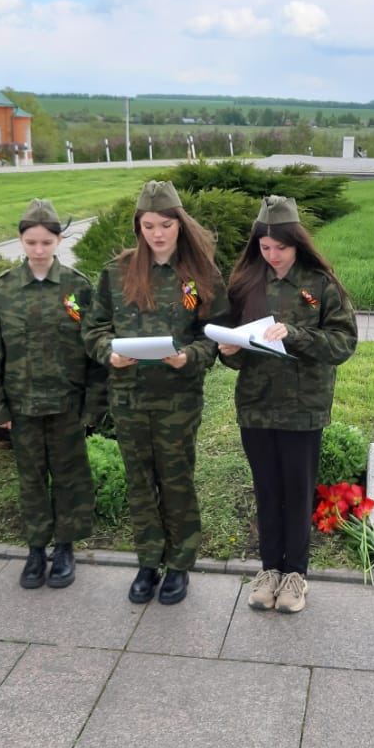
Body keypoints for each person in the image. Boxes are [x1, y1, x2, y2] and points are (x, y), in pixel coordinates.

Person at [82, 180, 229, 605]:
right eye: (149, 225)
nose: (157, 234)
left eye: (165, 224)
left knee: (177, 479)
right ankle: (148, 562)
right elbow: (93, 328)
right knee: (139, 481)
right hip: (128, 397)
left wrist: (190, 356)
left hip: (178, 398)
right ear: (139, 227)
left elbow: (214, 335)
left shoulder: (201, 275)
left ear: (180, 225)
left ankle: (180, 564)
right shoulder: (117, 272)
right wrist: (109, 353)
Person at [218, 196, 357, 613]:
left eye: (281, 248)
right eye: (265, 248)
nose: (272, 256)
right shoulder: (247, 283)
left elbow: (343, 343)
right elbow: (240, 352)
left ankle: (295, 574)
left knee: (297, 492)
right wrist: (229, 351)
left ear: (298, 243)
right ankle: (268, 571)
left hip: (303, 407)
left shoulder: (319, 284)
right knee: (266, 489)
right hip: (257, 405)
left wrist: (294, 334)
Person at [0, 198, 104, 590]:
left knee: (70, 476)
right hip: (22, 403)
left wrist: (92, 405)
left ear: (58, 240)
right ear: (20, 241)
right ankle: (36, 549)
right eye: (31, 242)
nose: (38, 250)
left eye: (46, 242)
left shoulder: (77, 286)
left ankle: (65, 548)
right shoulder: (3, 289)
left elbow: (94, 349)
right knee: (31, 478)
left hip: (66, 402)